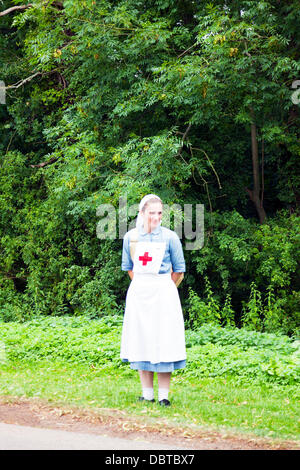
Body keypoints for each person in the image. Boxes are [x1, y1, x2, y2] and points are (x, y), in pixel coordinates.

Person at [120, 194, 186, 406]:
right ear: (142, 213)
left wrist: (164, 288)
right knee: (143, 338)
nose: (156, 217)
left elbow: (179, 270)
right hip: (140, 293)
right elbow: (129, 267)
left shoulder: (170, 237)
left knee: (163, 340)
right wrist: (143, 284)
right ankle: (147, 393)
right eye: (152, 213)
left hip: (163, 294)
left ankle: (164, 395)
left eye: (159, 213)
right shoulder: (131, 237)